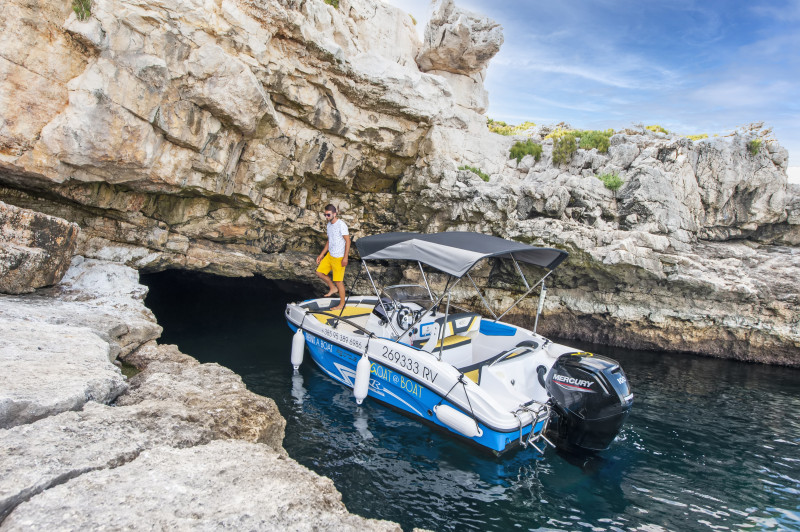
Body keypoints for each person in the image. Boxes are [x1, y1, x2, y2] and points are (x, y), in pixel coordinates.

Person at [315, 204, 350, 310]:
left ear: (335, 214)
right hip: (330, 255)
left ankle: (342, 304)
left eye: (328, 215)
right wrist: (322, 254)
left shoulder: (341, 225)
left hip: (339, 257)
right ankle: (332, 287)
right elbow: (329, 241)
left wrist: (345, 257)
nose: (326, 217)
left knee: (339, 281)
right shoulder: (329, 225)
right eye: (325, 215)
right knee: (319, 272)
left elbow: (348, 241)